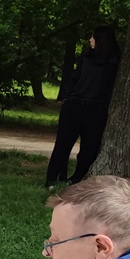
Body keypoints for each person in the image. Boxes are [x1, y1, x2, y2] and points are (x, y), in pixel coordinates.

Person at [45, 25, 120, 186]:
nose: (90, 40)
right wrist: (69, 96)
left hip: (96, 109)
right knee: (63, 145)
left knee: (89, 149)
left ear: (102, 40)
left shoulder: (114, 62)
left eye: (93, 37)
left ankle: (78, 178)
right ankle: (55, 179)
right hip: (74, 106)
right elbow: (75, 78)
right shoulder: (86, 57)